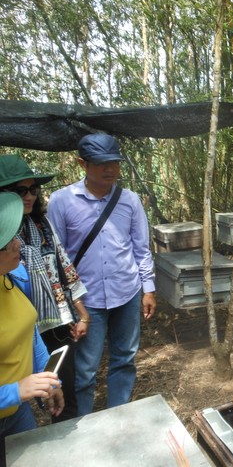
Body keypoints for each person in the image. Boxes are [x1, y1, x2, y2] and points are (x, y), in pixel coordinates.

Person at [47, 133, 157, 416]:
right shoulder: (62, 201)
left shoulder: (129, 200)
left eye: (115, 163)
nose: (110, 170)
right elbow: (56, 257)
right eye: (101, 164)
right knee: (85, 369)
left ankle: (118, 416)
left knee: (125, 359)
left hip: (127, 293)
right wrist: (71, 305)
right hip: (88, 301)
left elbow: (141, 248)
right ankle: (85, 425)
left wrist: (148, 289)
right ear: (82, 163)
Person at [0, 155, 90, 422]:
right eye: (19, 191)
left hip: (53, 321)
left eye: (33, 189)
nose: (28, 196)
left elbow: (62, 265)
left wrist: (81, 313)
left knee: (61, 388)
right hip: (17, 327)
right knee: (19, 390)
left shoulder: (42, 225)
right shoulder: (6, 232)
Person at [0, 192, 64, 463]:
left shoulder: (14, 276)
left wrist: (48, 377)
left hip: (16, 414)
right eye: (7, 242)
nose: (18, 244)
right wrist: (16, 390)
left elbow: (29, 331)